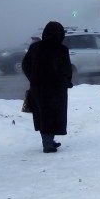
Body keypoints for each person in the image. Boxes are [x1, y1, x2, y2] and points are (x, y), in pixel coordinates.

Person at [22, 21, 73, 153]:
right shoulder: (61, 49)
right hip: (55, 90)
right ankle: (48, 145)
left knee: (43, 115)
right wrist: (66, 82)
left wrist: (32, 78)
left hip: (38, 89)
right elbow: (66, 69)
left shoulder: (35, 47)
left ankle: (48, 141)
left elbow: (25, 65)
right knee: (52, 115)